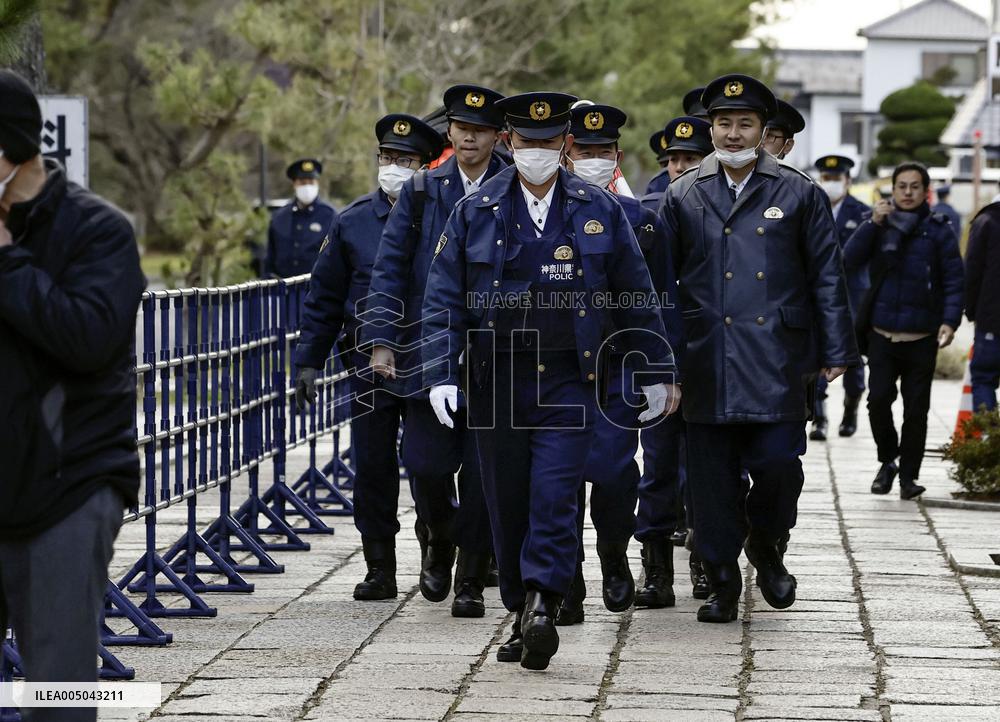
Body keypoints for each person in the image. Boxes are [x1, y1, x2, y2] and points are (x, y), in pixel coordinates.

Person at [422, 90, 679, 669]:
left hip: (568, 379)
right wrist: (441, 372)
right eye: (526, 141)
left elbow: (636, 293)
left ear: (563, 144)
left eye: (547, 141)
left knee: (555, 496)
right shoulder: (477, 209)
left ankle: (542, 601)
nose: (536, 151)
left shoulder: (598, 208)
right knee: (506, 501)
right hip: (497, 381)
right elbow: (443, 296)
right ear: (509, 142)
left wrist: (658, 371)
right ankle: (519, 606)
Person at [659, 74, 858, 623]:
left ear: (762, 130)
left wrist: (837, 346)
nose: (732, 133)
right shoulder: (684, 193)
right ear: (711, 128)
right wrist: (661, 360)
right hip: (706, 353)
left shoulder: (799, 192)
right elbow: (662, 285)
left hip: (775, 355)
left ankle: (767, 544)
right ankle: (722, 580)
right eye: (723, 123)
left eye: (744, 123)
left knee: (778, 465)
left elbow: (826, 275)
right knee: (711, 481)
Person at [0, 70, 146, 722]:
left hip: (69, 484)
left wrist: (6, 262)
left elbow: (88, 339)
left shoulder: (98, 231)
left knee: (56, 696)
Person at [364, 85, 507, 617]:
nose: (469, 136)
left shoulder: (516, 183)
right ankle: (438, 537)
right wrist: (381, 340)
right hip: (429, 347)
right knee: (425, 464)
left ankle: (471, 573)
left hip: (497, 351)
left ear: (498, 135)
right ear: (449, 132)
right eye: (460, 127)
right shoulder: (424, 189)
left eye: (480, 128)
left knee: (484, 472)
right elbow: (390, 267)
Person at [294, 113, 442, 602]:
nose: (394, 166)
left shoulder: (444, 214)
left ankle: (438, 549)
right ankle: (379, 565)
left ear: (425, 165)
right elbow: (325, 297)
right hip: (366, 366)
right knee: (372, 465)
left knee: (430, 464)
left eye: (406, 160)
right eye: (388, 157)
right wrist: (309, 360)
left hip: (427, 362)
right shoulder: (353, 221)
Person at [554, 103, 683, 622]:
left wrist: (659, 372)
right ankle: (567, 579)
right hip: (558, 368)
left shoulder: (642, 222)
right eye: (582, 150)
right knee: (557, 479)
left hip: (618, 367)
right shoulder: (542, 215)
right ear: (567, 152)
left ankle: (613, 555)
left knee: (611, 471)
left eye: (600, 151)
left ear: (616, 156)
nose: (591, 158)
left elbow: (660, 303)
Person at [844, 161, 963, 500]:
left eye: (914, 187)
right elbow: (847, 261)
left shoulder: (939, 230)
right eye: (901, 187)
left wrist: (950, 321)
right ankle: (888, 461)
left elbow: (955, 280)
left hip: (922, 337)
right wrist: (871, 224)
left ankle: (909, 476)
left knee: (916, 411)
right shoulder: (879, 226)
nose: (907, 193)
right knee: (877, 401)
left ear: (925, 192)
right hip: (882, 333)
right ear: (892, 191)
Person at [638, 114, 714, 604]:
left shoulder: (726, 210)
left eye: (690, 159)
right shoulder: (645, 214)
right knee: (659, 465)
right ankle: (655, 568)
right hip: (661, 357)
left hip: (712, 357)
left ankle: (707, 561)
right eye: (673, 160)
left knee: (711, 469)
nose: (679, 168)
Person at [810, 155, 871, 440]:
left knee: (854, 358)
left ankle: (850, 410)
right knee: (817, 355)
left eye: (836, 179)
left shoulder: (862, 213)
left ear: (848, 181)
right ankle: (819, 418)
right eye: (827, 178)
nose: (831, 183)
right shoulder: (812, 207)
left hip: (854, 296)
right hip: (819, 296)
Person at [265, 158, 338, 278]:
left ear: (317, 184)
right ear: (294, 184)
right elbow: (270, 259)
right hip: (284, 290)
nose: (307, 186)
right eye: (302, 182)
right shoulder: (279, 217)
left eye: (311, 182)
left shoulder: (330, 216)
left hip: (317, 289)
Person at [966, 196, 1000, 411]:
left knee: (984, 378)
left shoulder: (987, 221)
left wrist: (971, 311)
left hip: (991, 319)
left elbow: (972, 271)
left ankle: (990, 440)